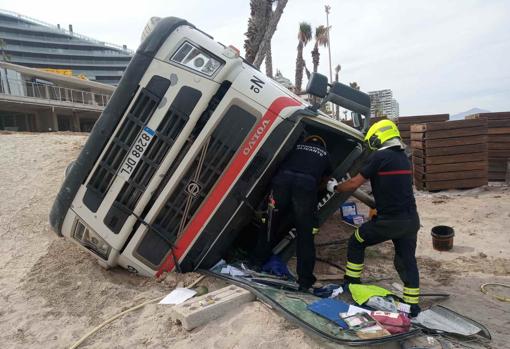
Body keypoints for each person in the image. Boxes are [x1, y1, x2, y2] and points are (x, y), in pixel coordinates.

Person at [327, 120, 421, 317]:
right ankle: (411, 305)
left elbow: (353, 183)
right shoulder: (403, 157)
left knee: (357, 240)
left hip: (389, 222)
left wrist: (334, 187)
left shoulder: (380, 156)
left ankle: (351, 282)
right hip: (410, 221)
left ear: (378, 138)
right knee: (406, 260)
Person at [251, 135, 332, 291]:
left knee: (269, 224)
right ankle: (305, 281)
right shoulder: (325, 154)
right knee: (305, 235)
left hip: (281, 182)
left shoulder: (296, 148)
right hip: (306, 185)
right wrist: (312, 191)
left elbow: (279, 163)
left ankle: (256, 262)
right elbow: (326, 180)